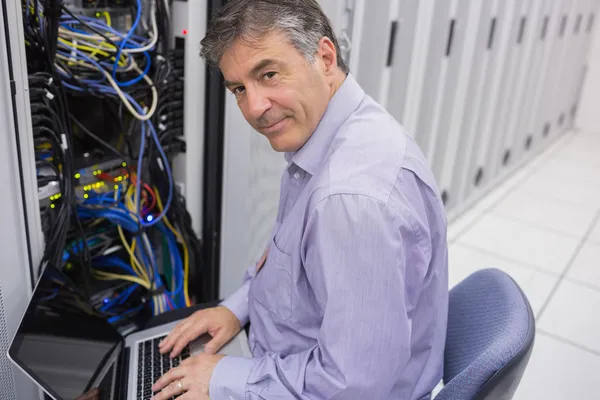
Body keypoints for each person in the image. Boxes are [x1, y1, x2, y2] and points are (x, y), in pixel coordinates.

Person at [152, 0, 449, 399]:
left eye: (269, 74)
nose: (254, 107)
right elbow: (291, 268)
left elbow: (354, 388)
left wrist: (222, 379)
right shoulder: (330, 136)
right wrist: (237, 309)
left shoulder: (350, 200)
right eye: (239, 88)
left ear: (324, 57)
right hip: (278, 360)